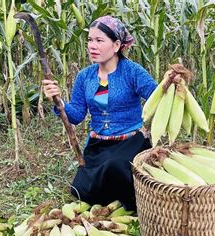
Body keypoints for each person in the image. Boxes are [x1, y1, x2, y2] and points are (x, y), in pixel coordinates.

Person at [42, 16, 157, 211]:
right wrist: (58, 101)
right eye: (90, 40)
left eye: (99, 40)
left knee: (114, 166)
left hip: (129, 141)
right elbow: (77, 115)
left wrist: (172, 86)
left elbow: (157, 97)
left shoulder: (132, 72)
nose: (92, 46)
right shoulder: (85, 76)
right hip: (99, 143)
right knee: (81, 189)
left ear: (116, 45)